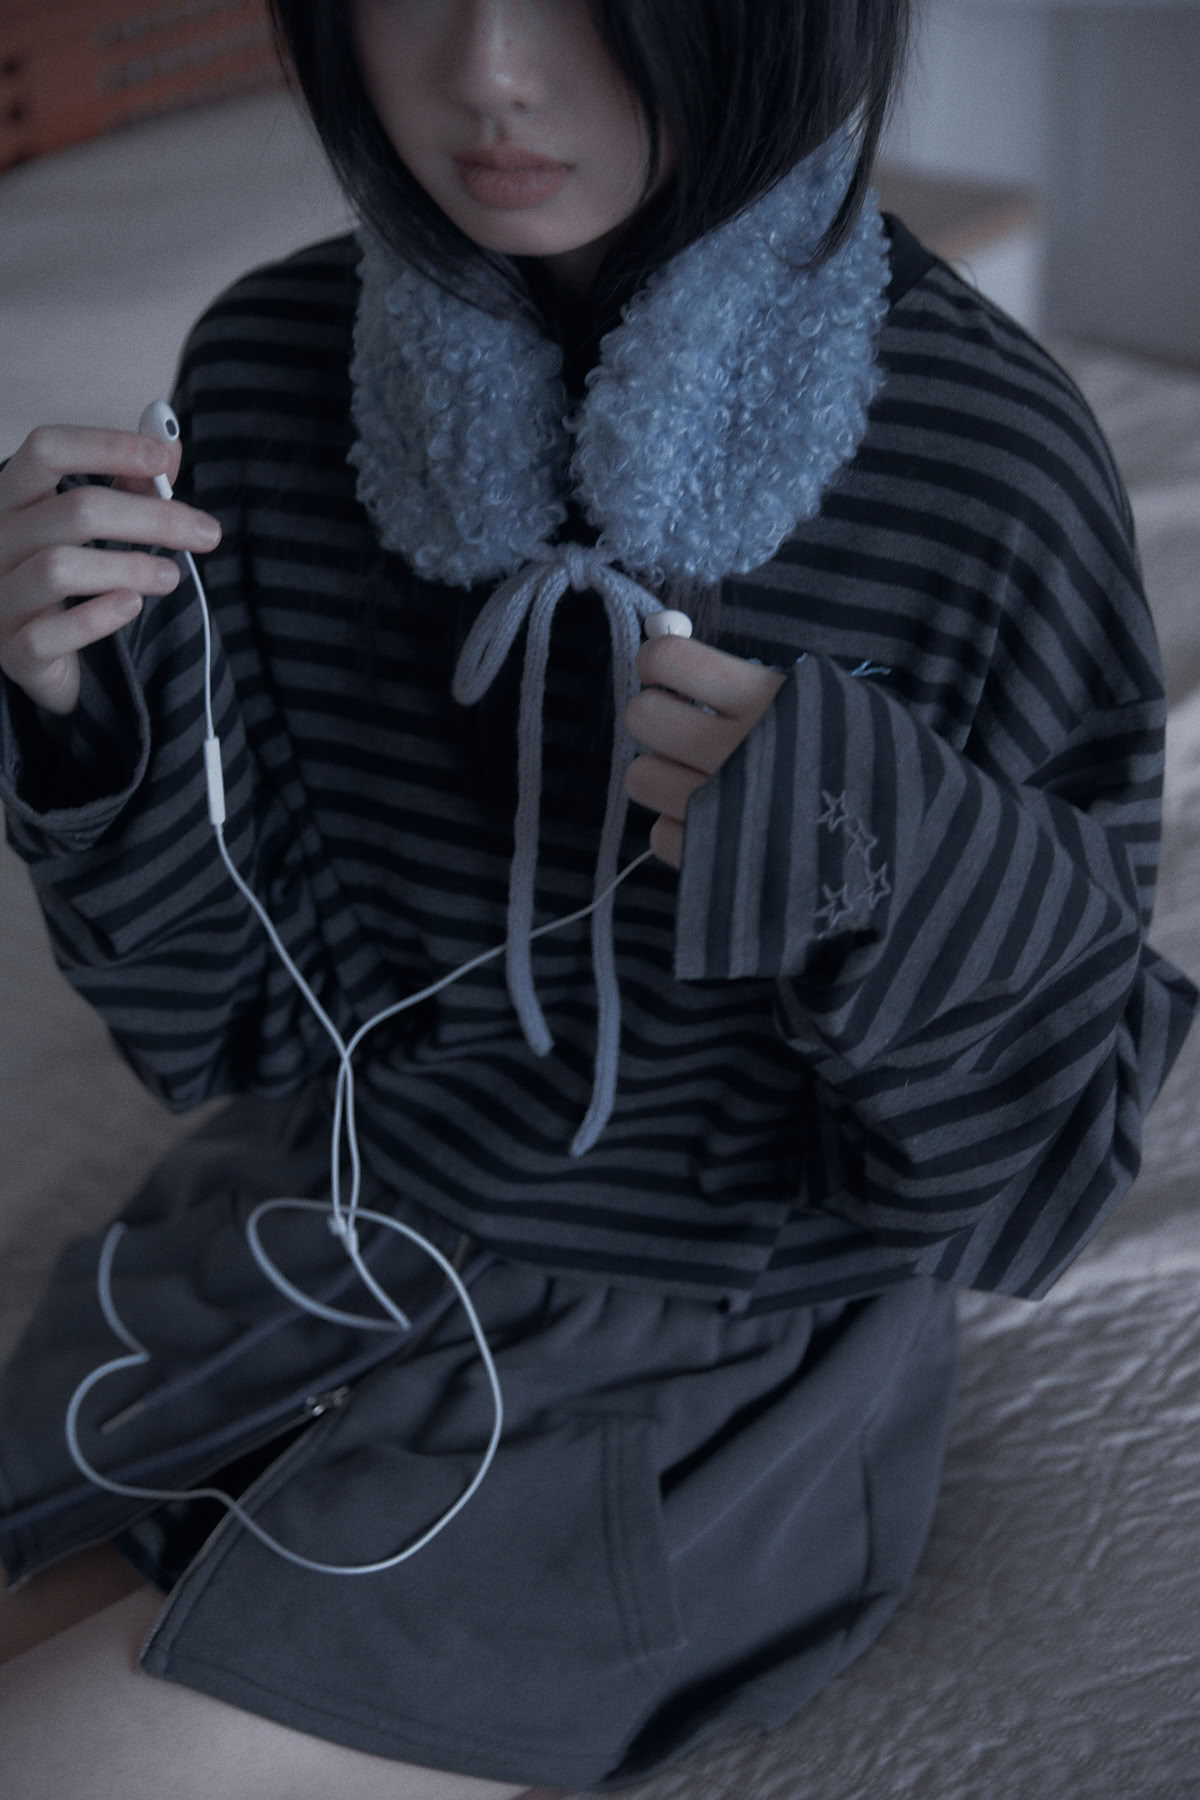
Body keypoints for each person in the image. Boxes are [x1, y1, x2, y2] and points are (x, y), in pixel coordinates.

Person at [0, 2, 1194, 1796]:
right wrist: (78, 718)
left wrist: (878, 854)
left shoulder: (989, 467)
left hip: (711, 1385)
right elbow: (231, 1031)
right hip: (323, 1230)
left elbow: (1025, 1183)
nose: (490, 68)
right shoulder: (261, 378)